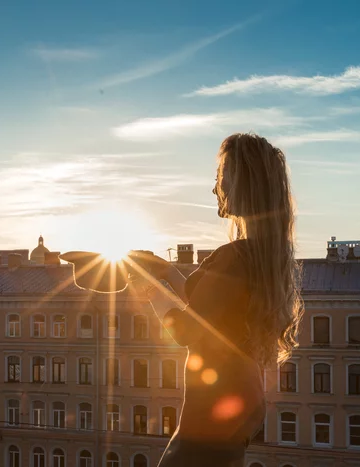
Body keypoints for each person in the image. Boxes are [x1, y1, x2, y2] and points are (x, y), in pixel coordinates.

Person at [127, 133, 303, 467]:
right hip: (243, 396)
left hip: (214, 403)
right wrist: (166, 272)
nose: (215, 188)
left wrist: (148, 290)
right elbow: (211, 309)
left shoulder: (233, 258)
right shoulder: (261, 257)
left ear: (242, 184)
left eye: (220, 178)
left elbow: (187, 330)